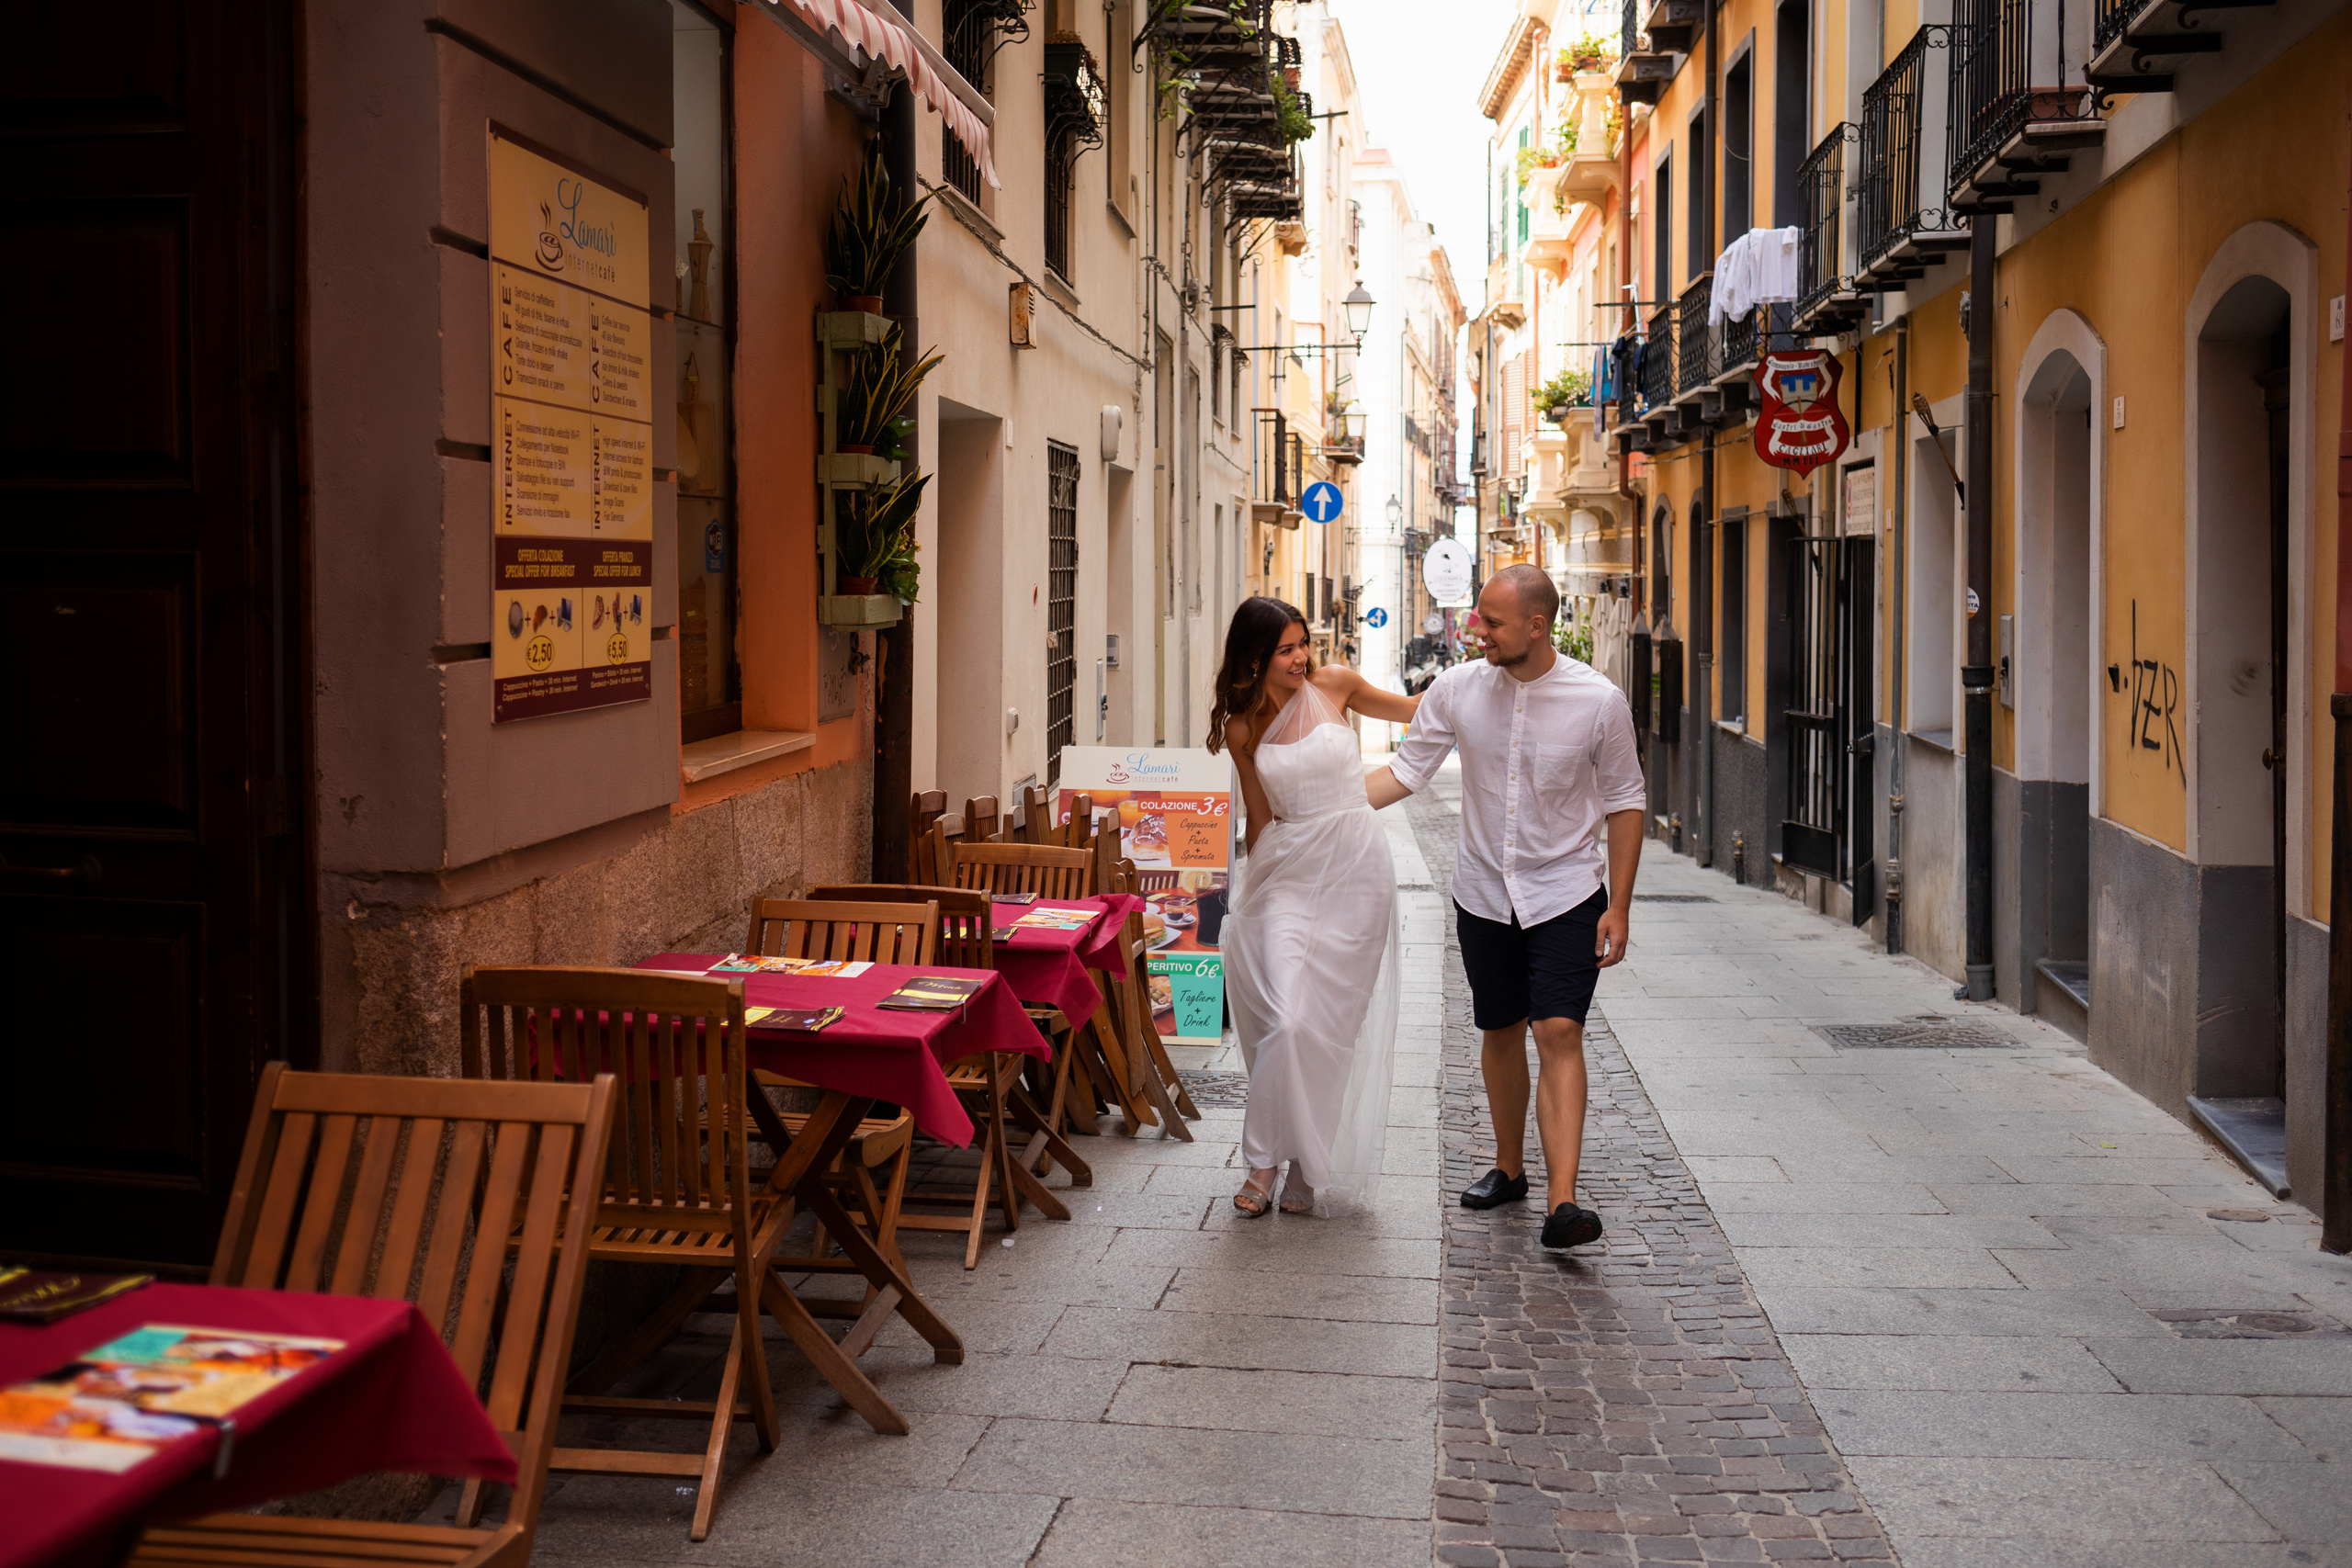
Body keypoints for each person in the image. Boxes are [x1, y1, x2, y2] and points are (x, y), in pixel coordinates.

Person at [1364, 564, 1646, 1249]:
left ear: (1536, 625)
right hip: (1483, 893)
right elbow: (1406, 772)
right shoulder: (1457, 690)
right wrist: (1309, 810)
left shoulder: (1599, 701)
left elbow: (1625, 800)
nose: (1475, 631)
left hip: (1567, 893)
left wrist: (1622, 905)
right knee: (1499, 1028)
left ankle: (1563, 1201)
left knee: (1558, 1031)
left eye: (1489, 620)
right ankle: (1509, 1168)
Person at [1213, 596, 1422, 1218]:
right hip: (1288, 868)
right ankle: (1261, 1160)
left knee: (1329, 1025)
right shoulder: (1241, 725)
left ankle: (1305, 1163)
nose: (1303, 657)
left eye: (1304, 643)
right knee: (1287, 1016)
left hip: (1357, 869)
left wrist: (1483, 674)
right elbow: (1260, 814)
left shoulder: (1338, 684)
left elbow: (1419, 713)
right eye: (1287, 648)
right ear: (1255, 658)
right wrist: (1253, 887)